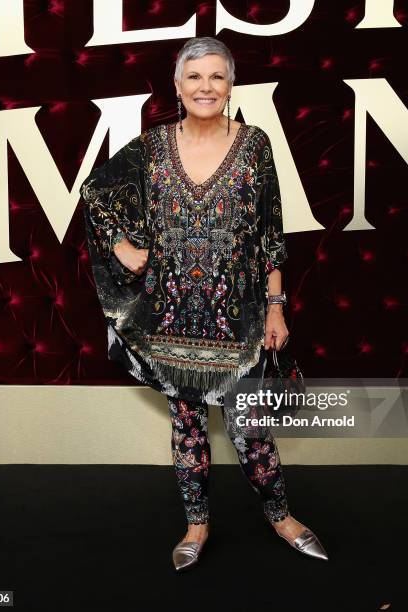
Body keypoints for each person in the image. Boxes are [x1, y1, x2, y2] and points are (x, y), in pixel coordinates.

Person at [80, 36, 329, 571]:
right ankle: (197, 524)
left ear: (230, 83)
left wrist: (276, 306)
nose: (206, 87)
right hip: (170, 317)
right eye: (194, 77)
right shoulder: (150, 149)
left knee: (251, 431)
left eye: (216, 76)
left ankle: (282, 516)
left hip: (237, 318)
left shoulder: (255, 145)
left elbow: (270, 236)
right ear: (177, 86)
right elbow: (95, 193)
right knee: (187, 425)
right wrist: (123, 247)